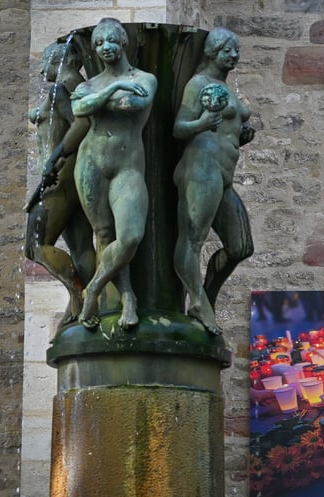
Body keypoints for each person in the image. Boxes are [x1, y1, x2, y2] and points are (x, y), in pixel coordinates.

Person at [71, 18, 157, 329]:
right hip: (90, 163)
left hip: (127, 167)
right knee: (104, 236)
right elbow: (79, 110)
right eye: (98, 43)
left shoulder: (145, 78)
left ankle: (93, 289)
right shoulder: (89, 85)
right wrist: (115, 88)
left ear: (123, 42)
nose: (105, 47)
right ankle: (128, 297)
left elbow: (133, 104)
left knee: (130, 237)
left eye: (110, 40)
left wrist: (100, 99)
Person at [172, 27, 255, 334]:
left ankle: (206, 296)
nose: (234, 56)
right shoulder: (198, 84)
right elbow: (179, 127)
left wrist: (241, 135)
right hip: (201, 167)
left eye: (236, 51)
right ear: (212, 52)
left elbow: (228, 129)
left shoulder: (224, 87)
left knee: (241, 247)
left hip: (223, 172)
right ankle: (197, 301)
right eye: (227, 51)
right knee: (193, 239)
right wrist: (202, 122)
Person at [25, 42, 96, 324]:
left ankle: (79, 296)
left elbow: (81, 123)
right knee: (81, 247)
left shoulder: (60, 90)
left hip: (59, 177)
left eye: (46, 62)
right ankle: (91, 304)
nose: (41, 70)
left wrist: (54, 159)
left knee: (35, 245)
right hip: (70, 177)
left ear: (60, 60)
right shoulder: (72, 88)